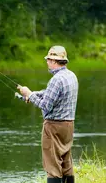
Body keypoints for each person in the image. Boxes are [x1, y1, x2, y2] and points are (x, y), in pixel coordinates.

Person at [17, 46, 78, 183]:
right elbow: (50, 94)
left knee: (53, 166)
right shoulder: (71, 76)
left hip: (54, 127)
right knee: (66, 162)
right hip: (68, 126)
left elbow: (45, 106)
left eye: (48, 60)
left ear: (54, 61)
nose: (47, 62)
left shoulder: (56, 80)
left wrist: (29, 94)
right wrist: (33, 94)